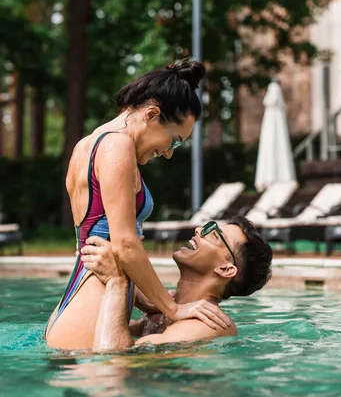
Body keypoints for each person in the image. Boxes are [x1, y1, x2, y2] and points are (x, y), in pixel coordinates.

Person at [45, 60, 230, 349]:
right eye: (176, 141)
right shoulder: (117, 146)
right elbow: (124, 245)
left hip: (78, 301)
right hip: (91, 315)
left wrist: (148, 299)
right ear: (152, 115)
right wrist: (174, 309)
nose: (169, 154)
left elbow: (97, 242)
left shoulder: (89, 144)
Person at [81, 216, 273, 351]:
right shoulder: (160, 314)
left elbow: (110, 360)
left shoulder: (208, 326)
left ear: (225, 269)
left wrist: (118, 281)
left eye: (213, 235)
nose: (199, 230)